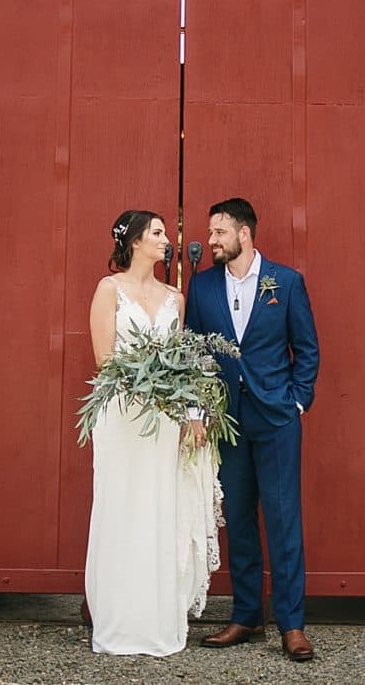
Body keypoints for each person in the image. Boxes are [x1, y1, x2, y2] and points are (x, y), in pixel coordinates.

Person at [83, 209, 225, 656]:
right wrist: (140, 381)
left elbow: (181, 362)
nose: (168, 240)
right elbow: (104, 362)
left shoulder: (174, 298)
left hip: (162, 421)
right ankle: (119, 621)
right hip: (123, 418)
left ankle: (158, 619)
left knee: (159, 509)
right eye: (159, 233)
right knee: (122, 507)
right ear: (135, 242)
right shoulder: (109, 291)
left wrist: (188, 408)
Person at [184, 197, 319, 662]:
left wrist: (297, 401)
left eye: (219, 232)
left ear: (245, 234)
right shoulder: (201, 289)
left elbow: (307, 349)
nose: (211, 240)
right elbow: (195, 356)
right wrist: (200, 413)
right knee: (238, 520)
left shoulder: (286, 281)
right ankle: (246, 616)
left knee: (284, 522)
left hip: (277, 420)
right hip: (228, 422)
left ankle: (292, 625)